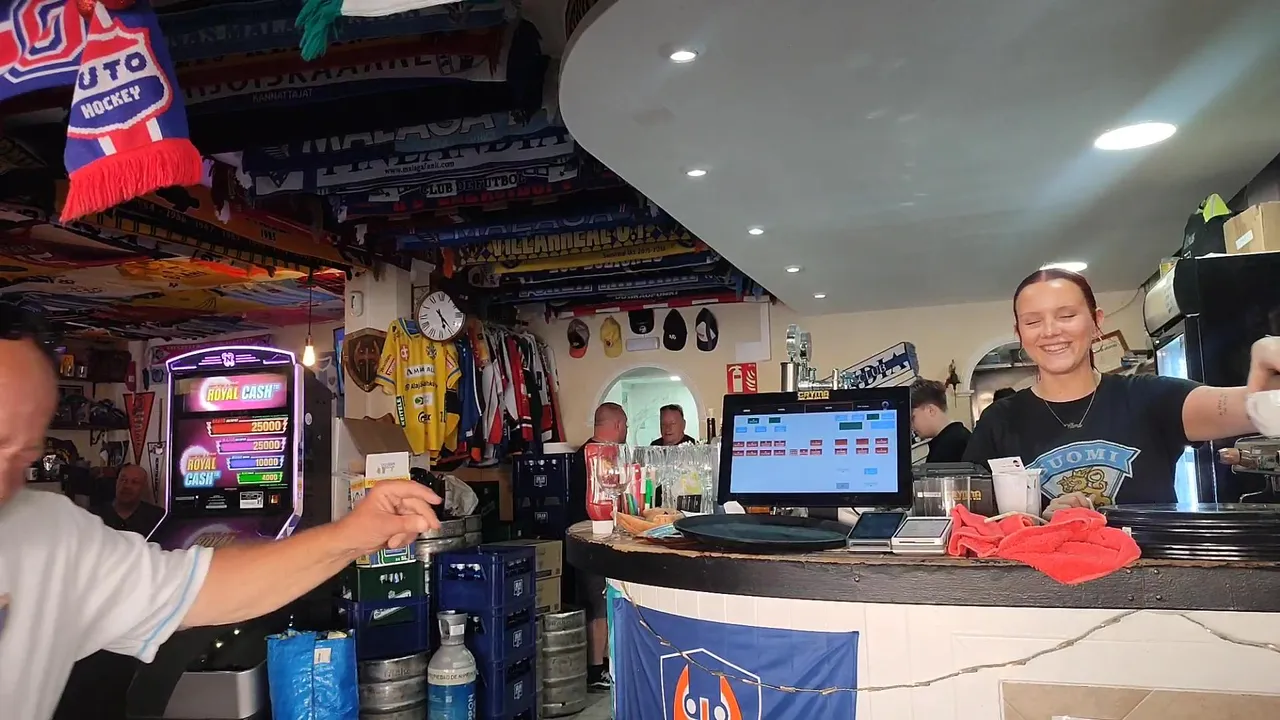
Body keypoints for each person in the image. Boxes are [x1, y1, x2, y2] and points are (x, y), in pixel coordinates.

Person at [0, 305, 443, 720]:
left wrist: (353, 534)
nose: (7, 474)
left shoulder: (51, 537)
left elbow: (204, 588)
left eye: (25, 452)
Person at [964, 268, 1280, 518]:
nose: (1050, 331)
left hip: (1155, 575)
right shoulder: (999, 422)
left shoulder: (1152, 398)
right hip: (1041, 582)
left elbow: (1254, 406)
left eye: (1067, 316)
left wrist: (1271, 365)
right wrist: (1039, 523)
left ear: (1096, 322)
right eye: (1033, 321)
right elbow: (976, 527)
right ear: (1020, 333)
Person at [568, 402, 628, 692]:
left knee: (599, 603)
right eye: (625, 425)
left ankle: (602, 663)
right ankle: (595, 669)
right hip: (593, 539)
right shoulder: (597, 457)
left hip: (584, 540)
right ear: (617, 425)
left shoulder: (583, 454)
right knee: (598, 605)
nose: (626, 431)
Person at [92, 464, 164, 537]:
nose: (127, 486)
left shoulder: (158, 519)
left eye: (135, 482)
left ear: (143, 487)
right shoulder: (94, 515)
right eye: (123, 480)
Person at [909, 378, 971, 463]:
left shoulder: (951, 446)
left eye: (913, 418)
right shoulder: (956, 438)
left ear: (931, 410)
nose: (911, 426)